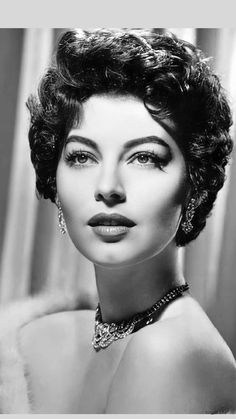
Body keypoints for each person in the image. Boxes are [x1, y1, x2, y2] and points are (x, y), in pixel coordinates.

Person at [1, 28, 236, 413]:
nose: (108, 187)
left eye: (145, 157)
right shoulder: (29, 340)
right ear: (54, 181)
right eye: (82, 157)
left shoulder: (168, 351)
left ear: (194, 184)